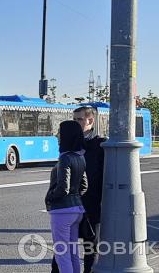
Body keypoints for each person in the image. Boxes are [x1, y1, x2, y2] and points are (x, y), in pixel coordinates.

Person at [51, 106, 107, 273]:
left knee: (90, 247)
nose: (75, 123)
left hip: (90, 204)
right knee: (64, 249)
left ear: (90, 121)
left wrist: (52, 197)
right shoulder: (72, 143)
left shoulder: (100, 144)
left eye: (79, 120)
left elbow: (102, 177)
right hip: (74, 203)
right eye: (74, 119)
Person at [45, 120, 88, 273]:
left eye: (59, 132)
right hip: (77, 211)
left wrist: (50, 196)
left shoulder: (65, 158)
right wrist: (75, 198)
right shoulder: (80, 157)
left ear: (66, 136)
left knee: (62, 255)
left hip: (62, 211)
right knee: (73, 252)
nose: (57, 135)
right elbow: (84, 186)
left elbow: (63, 188)